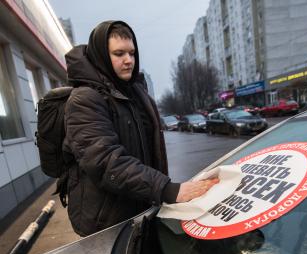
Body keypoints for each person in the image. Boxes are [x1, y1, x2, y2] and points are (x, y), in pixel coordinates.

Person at [63, 20, 218, 236]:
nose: (128, 61)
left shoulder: (134, 92)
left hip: (140, 207)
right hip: (107, 222)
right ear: (101, 56)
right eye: (119, 54)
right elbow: (106, 162)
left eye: (132, 53)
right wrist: (167, 190)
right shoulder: (84, 99)